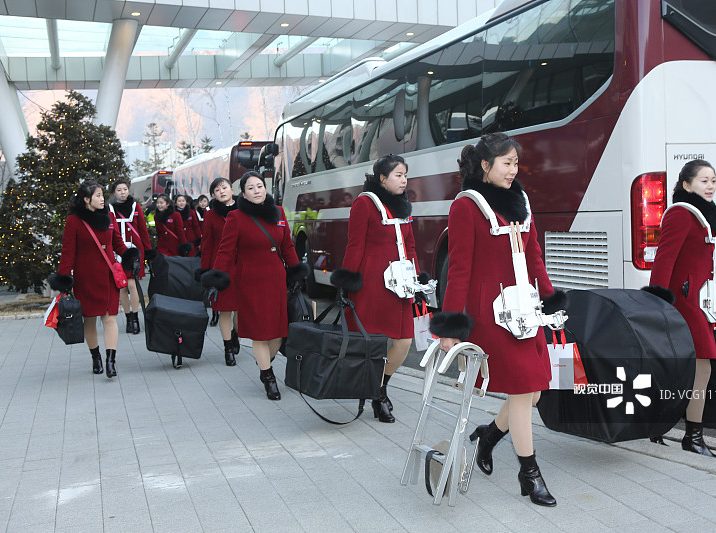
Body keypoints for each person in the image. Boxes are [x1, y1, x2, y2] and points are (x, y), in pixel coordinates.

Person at [429, 133, 566, 507]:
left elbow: (534, 256)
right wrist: (450, 327)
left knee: (535, 391)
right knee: (523, 390)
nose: (513, 170)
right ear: (485, 165)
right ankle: (530, 474)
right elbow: (458, 269)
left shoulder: (520, 201)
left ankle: (488, 437)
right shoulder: (466, 206)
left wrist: (550, 298)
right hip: (489, 314)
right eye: (507, 163)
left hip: (524, 308)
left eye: (516, 163)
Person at [330, 154, 425, 423]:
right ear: (382, 178)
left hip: (400, 285)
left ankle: (379, 387)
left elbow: (411, 246)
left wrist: (417, 278)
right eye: (398, 175)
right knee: (371, 343)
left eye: (405, 175)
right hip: (371, 282)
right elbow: (355, 245)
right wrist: (347, 282)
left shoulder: (403, 204)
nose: (404, 180)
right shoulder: (364, 203)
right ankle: (377, 395)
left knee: (403, 341)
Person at [202, 172, 308, 400]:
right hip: (250, 282)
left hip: (277, 280)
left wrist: (297, 273)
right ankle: (268, 376)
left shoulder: (278, 212)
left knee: (278, 334)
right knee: (260, 334)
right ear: (243, 193)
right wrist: (216, 278)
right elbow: (225, 251)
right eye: (251, 188)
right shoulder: (236, 217)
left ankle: (264, 363)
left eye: (259, 186)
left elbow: (288, 246)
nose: (257, 191)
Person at [645, 159, 716, 458]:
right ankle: (692, 437)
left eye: (713, 180)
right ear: (687, 185)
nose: (710, 186)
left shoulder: (702, 215)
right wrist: (657, 302)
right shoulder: (681, 213)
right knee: (702, 364)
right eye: (704, 180)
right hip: (683, 303)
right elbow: (664, 259)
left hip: (698, 303)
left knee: (685, 367)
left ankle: (668, 430)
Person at [50, 180, 139, 377]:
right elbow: (68, 252)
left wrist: (130, 256)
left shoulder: (108, 215)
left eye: (102, 195)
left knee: (109, 318)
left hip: (108, 276)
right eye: (97, 196)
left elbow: (117, 242)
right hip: (86, 279)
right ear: (86, 199)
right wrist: (64, 278)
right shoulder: (74, 220)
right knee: (89, 320)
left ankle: (110, 361)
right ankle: (96, 357)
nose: (102, 199)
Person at [198, 178, 240, 366]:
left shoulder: (243, 209)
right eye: (217, 189)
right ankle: (228, 348)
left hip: (243, 266)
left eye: (224, 187)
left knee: (241, 309)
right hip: (221, 268)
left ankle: (236, 334)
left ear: (232, 189)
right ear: (213, 195)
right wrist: (206, 272)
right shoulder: (211, 215)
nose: (221, 191)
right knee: (224, 309)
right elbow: (207, 244)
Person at [108, 179, 152, 335]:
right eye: (119, 190)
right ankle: (128, 317)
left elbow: (143, 230)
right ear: (114, 192)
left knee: (132, 284)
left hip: (134, 250)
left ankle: (135, 317)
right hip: (117, 250)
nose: (122, 192)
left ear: (129, 190)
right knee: (122, 286)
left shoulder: (135, 206)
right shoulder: (109, 208)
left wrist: (148, 252)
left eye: (125, 189)